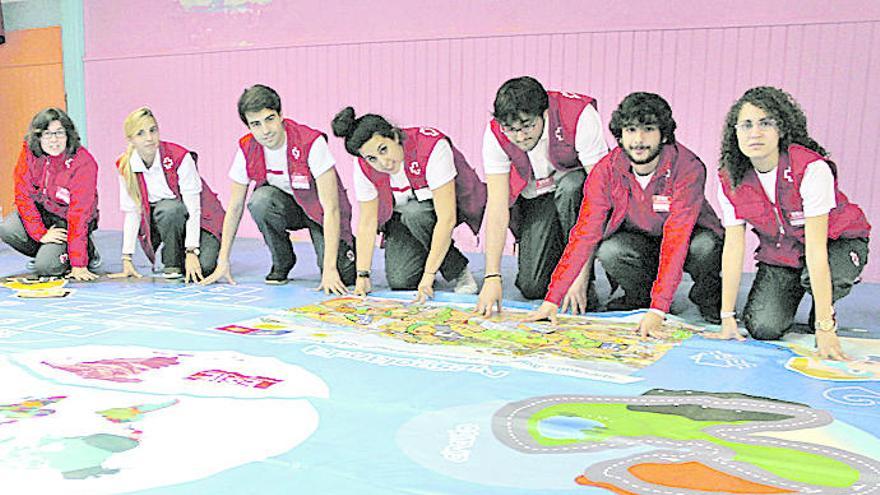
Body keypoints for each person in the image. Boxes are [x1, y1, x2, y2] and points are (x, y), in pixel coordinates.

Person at [527, 92, 723, 337]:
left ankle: (709, 296)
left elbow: (677, 238)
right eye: (630, 130)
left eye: (648, 129)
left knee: (705, 246)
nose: (639, 140)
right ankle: (640, 297)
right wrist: (552, 299)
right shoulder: (606, 170)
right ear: (620, 135)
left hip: (689, 239)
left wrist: (658, 310)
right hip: (640, 241)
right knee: (611, 250)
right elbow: (584, 234)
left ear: (664, 134)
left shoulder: (688, 168)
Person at [716, 86, 870, 360]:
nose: (755, 132)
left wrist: (825, 326)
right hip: (783, 254)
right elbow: (733, 248)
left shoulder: (810, 169)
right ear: (735, 132)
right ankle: (801, 288)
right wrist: (727, 315)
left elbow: (816, 248)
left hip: (835, 243)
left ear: (782, 128)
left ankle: (823, 305)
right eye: (746, 124)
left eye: (766, 123)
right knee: (763, 326)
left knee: (820, 279)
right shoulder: (731, 179)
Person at [201, 84, 355, 292]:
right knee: (259, 201)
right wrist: (223, 262)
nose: (265, 131)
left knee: (343, 277)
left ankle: (344, 251)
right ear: (248, 126)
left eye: (269, 119)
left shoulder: (311, 141)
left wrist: (330, 269)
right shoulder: (247, 147)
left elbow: (332, 208)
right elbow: (235, 206)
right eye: (255, 124)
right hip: (288, 209)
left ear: (280, 115)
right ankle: (282, 260)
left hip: (320, 212)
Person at [475, 76, 607, 316]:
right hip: (538, 197)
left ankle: (583, 279)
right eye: (511, 129)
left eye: (527, 126)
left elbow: (599, 198)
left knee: (571, 187)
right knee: (532, 286)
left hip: (578, 192)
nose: (520, 136)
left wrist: (579, 276)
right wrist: (491, 275)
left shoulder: (579, 115)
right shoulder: (496, 133)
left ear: (544, 113)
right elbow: (496, 206)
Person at [331, 107, 486, 303]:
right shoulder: (363, 165)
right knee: (401, 280)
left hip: (438, 212)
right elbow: (367, 222)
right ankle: (426, 254)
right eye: (372, 159)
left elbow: (447, 218)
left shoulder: (431, 146)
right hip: (400, 218)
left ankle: (458, 270)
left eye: (383, 150)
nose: (383, 163)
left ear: (395, 136)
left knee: (415, 212)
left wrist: (429, 276)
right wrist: (362, 275)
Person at [109, 107, 225, 283]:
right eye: (140, 133)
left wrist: (192, 251)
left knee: (205, 268)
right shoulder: (126, 166)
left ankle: (182, 253)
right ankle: (172, 263)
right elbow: (132, 212)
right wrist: (127, 258)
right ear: (130, 139)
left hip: (202, 218)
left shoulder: (180, 157)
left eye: (153, 130)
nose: (149, 138)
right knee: (169, 209)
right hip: (167, 218)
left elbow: (194, 208)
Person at [0, 108, 101, 281]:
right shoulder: (29, 153)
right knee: (8, 228)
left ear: (68, 135)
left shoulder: (83, 162)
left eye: (59, 133)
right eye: (47, 134)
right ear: (38, 136)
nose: (54, 140)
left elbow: (80, 214)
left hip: (68, 220)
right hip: (44, 214)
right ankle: (49, 251)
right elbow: (23, 196)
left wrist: (79, 263)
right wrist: (41, 234)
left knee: (46, 267)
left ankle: (84, 252)